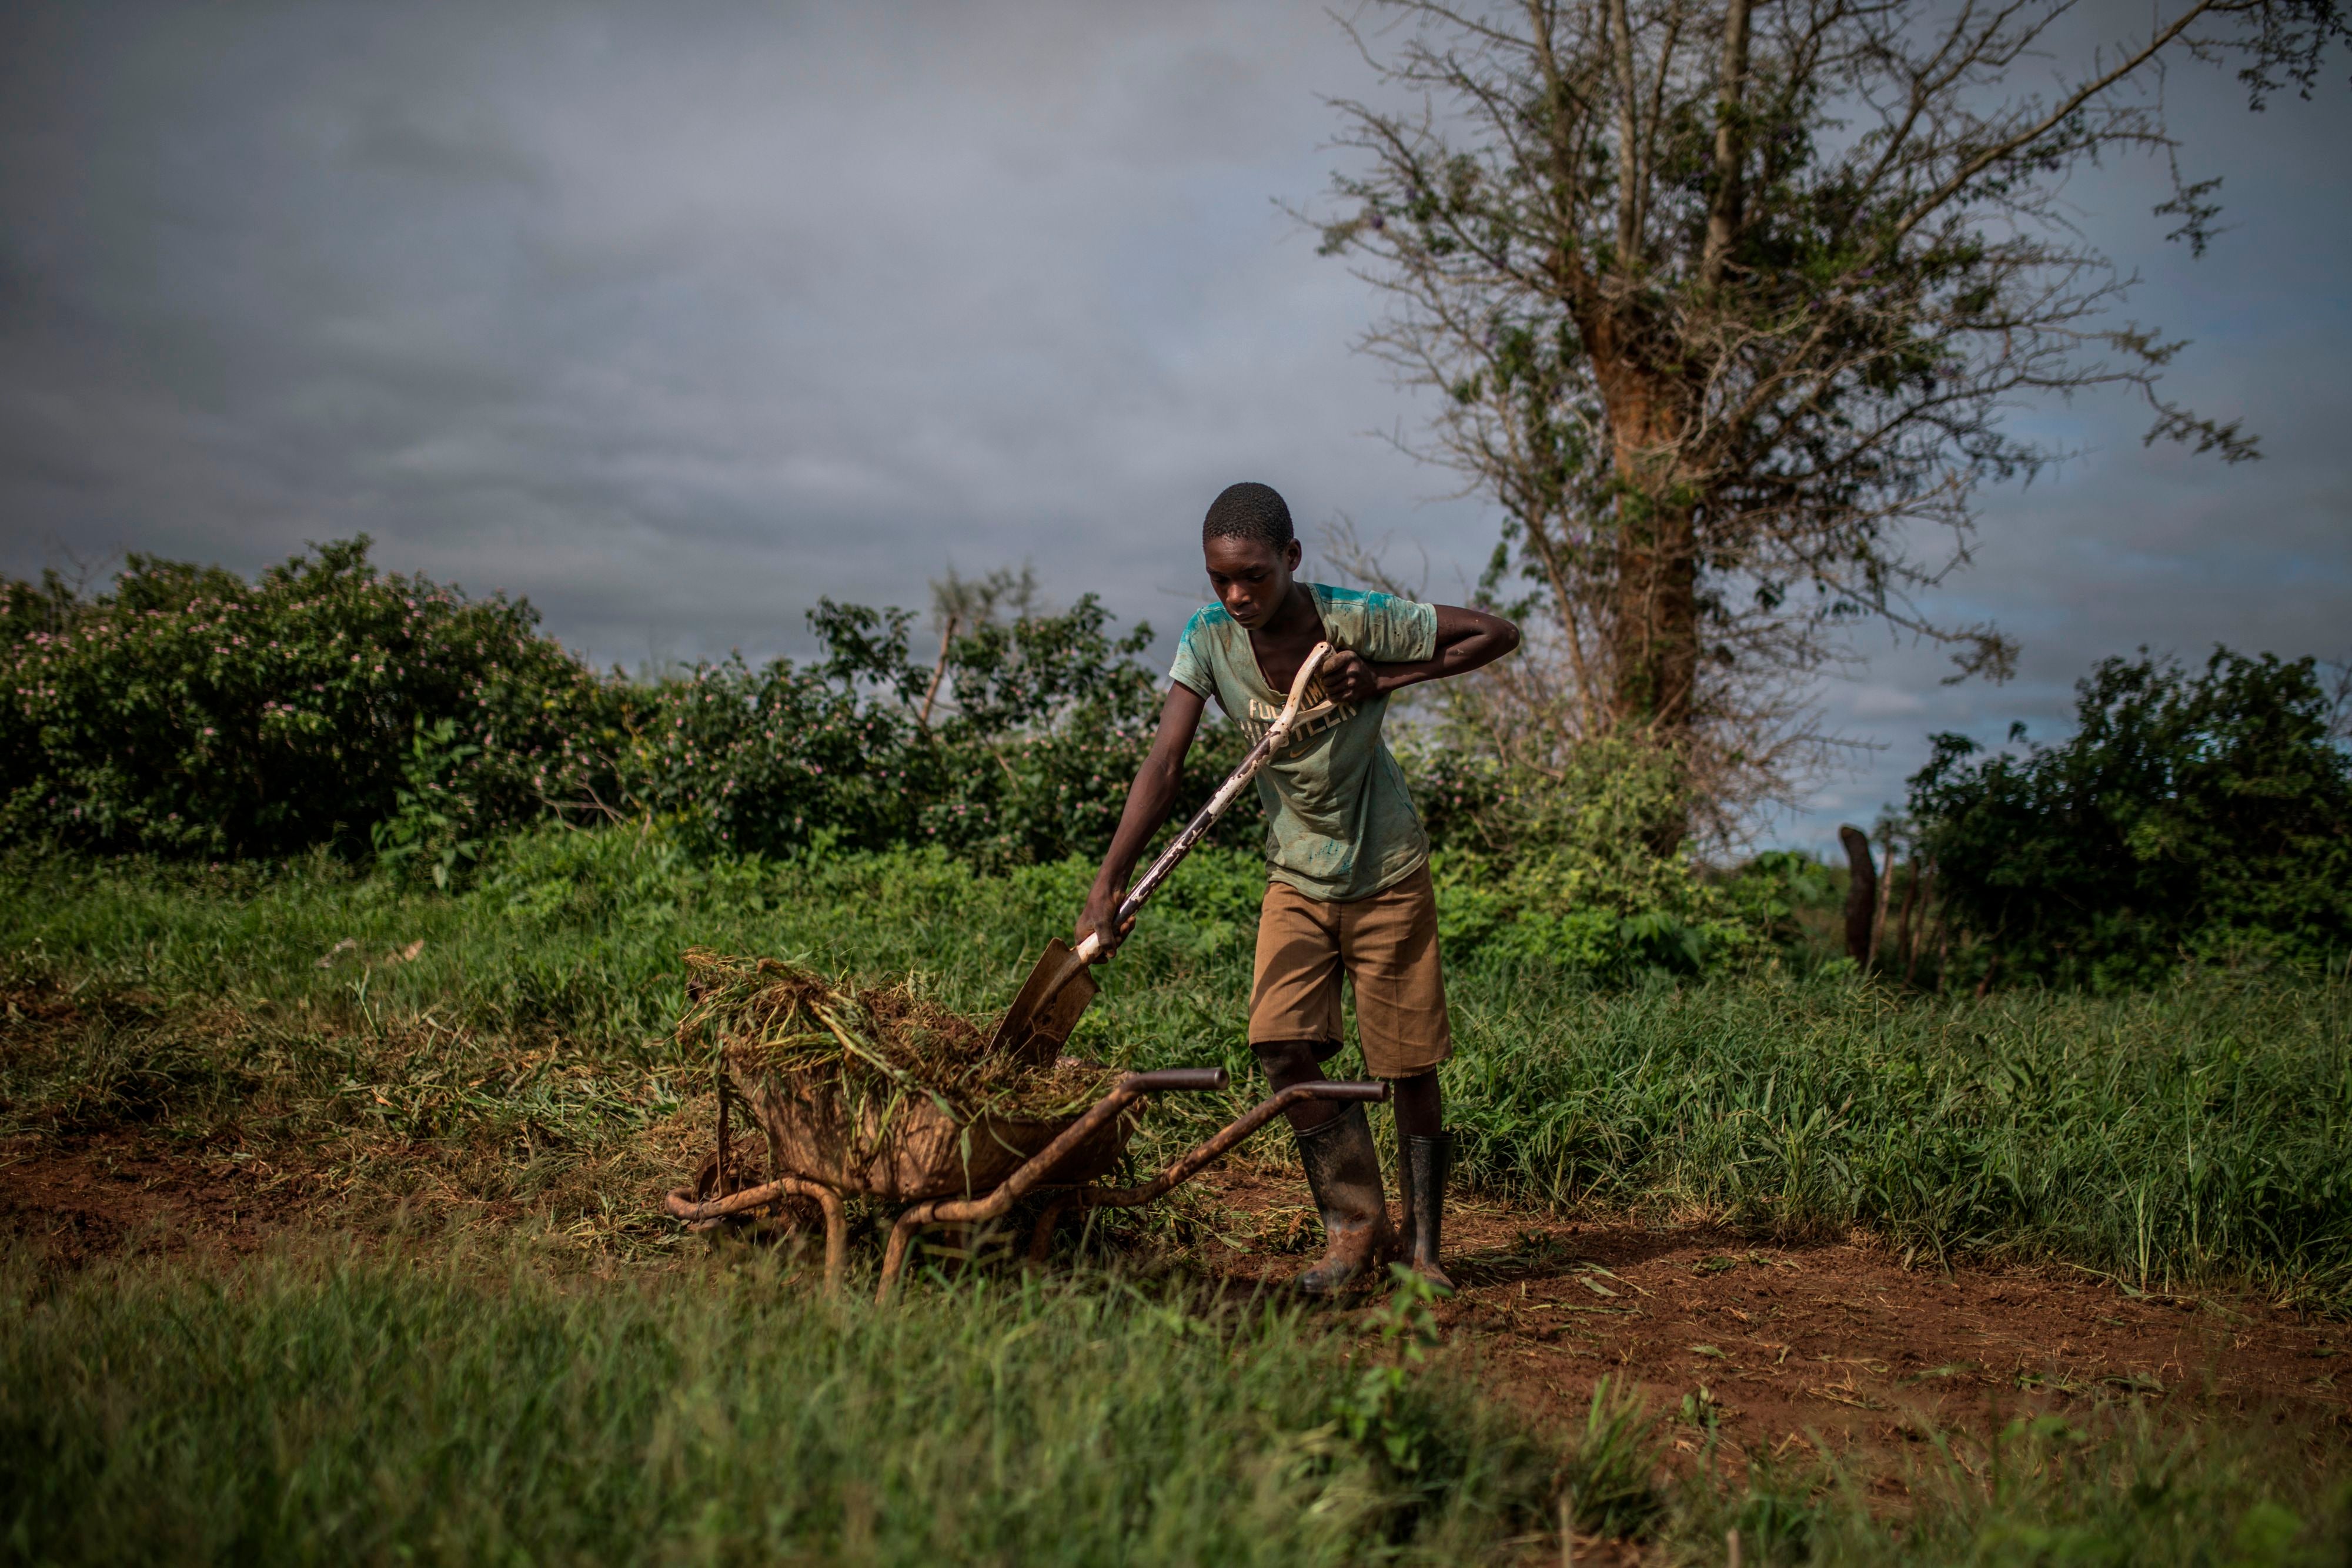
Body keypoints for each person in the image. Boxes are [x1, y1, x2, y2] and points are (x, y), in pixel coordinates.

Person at [1077, 482, 1519, 1293]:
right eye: (1220, 579)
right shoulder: (1209, 639)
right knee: (1281, 1041)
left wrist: (1381, 682)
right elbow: (1166, 762)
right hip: (1296, 872)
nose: (1238, 596)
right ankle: (1356, 1232)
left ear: (1291, 559)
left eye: (1254, 576)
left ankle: (1424, 1253)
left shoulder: (1358, 620)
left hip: (1386, 870)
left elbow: (1498, 633)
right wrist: (1109, 882)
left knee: (1408, 1064)